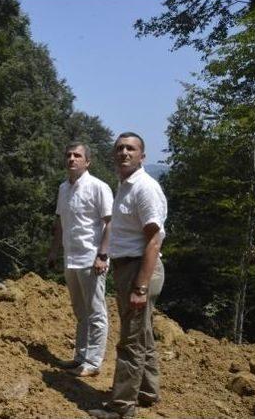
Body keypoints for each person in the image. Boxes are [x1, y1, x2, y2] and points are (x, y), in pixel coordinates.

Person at [89, 132, 167, 419]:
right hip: (129, 268)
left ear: (142, 156)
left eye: (131, 149)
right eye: (120, 148)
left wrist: (141, 286)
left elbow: (154, 241)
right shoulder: (125, 185)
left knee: (130, 340)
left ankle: (122, 408)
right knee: (142, 333)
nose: (124, 152)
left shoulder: (144, 188)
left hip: (140, 269)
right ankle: (148, 391)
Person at [48, 142, 113, 378]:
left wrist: (102, 255)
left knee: (96, 311)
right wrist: (54, 252)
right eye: (69, 155)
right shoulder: (63, 188)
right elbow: (59, 223)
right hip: (71, 257)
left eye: (77, 155)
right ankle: (80, 357)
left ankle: (93, 363)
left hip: (91, 258)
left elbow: (110, 223)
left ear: (87, 162)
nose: (72, 159)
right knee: (80, 311)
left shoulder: (98, 187)